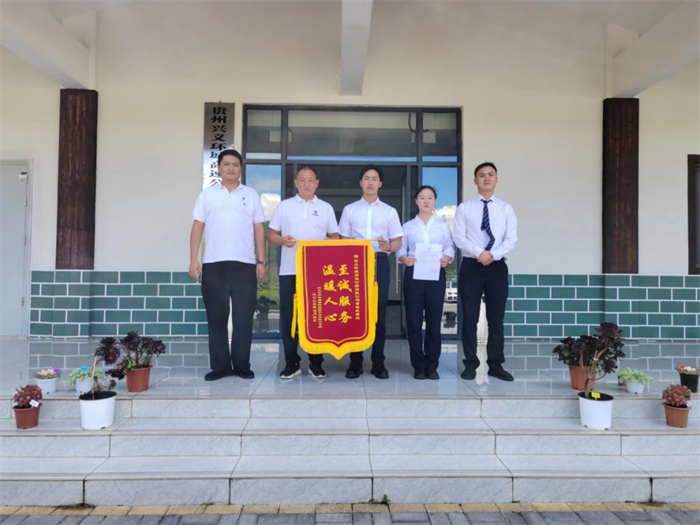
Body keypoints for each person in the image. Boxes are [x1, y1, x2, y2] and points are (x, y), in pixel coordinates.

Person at [189, 149, 267, 381]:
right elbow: (197, 227)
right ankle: (220, 367)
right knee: (216, 318)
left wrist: (261, 261)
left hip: (245, 264)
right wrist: (194, 259)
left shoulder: (251, 195)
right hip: (214, 264)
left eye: (236, 164)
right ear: (219, 168)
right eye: (227, 164)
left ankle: (242, 365)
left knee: (244, 318)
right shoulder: (207, 195)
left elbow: (259, 228)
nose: (231, 168)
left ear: (241, 169)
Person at [268, 166, 340, 379]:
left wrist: (328, 242)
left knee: (316, 316)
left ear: (316, 183)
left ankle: (316, 362)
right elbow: (271, 235)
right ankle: (292, 362)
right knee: (290, 317)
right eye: (302, 180)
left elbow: (335, 237)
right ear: (296, 183)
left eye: (311, 180)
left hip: (318, 272)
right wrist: (283, 240)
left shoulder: (325, 208)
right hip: (290, 270)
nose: (307, 184)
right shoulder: (285, 206)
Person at [454, 162, 518, 382]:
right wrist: (479, 252)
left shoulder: (506, 209)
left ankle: (496, 364)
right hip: (471, 265)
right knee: (470, 317)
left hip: (497, 266)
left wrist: (492, 254)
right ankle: (470, 363)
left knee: (496, 318)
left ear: (496, 179)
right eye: (482, 175)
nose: (486, 178)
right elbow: (459, 237)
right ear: (475, 181)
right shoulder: (465, 208)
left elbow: (511, 238)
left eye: (491, 175)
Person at [339, 165, 403, 380]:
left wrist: (388, 246)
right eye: (366, 178)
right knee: (355, 313)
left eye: (374, 179)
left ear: (380, 184)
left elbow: (397, 242)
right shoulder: (350, 210)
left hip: (379, 261)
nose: (370, 182)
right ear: (360, 183)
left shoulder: (389, 211)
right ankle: (355, 362)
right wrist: (349, 243)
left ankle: (378, 362)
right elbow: (342, 239)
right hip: (355, 263)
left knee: (379, 314)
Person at [397, 186, 454, 380]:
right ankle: (418, 365)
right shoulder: (407, 226)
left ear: (435, 201)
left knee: (434, 320)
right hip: (414, 274)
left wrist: (447, 257)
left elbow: (449, 246)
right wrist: (404, 259)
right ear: (416, 201)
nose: (426, 201)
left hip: (436, 274)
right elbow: (400, 249)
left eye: (430, 197)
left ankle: (432, 364)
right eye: (422, 197)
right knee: (413, 321)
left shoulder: (442, 226)